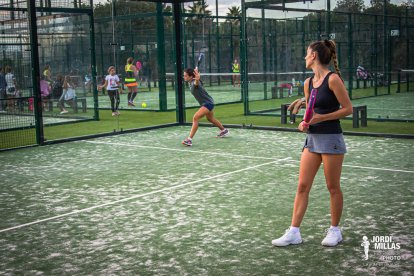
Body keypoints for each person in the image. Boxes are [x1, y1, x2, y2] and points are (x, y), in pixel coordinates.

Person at [272, 39, 353, 247]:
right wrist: (305, 121)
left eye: (306, 53)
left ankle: (335, 231)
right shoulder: (308, 83)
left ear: (314, 56)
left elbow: (347, 109)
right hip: (312, 140)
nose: (304, 57)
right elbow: (311, 111)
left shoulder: (333, 79)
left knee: (332, 187)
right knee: (302, 186)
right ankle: (294, 232)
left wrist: (320, 118)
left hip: (331, 138)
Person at [182, 68, 229, 146]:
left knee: (195, 118)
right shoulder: (190, 82)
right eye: (184, 75)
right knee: (210, 119)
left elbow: (196, 83)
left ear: (191, 76)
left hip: (208, 103)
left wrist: (197, 79)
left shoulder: (195, 82)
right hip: (207, 102)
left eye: (186, 76)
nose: (184, 77)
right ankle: (224, 130)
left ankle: (189, 140)